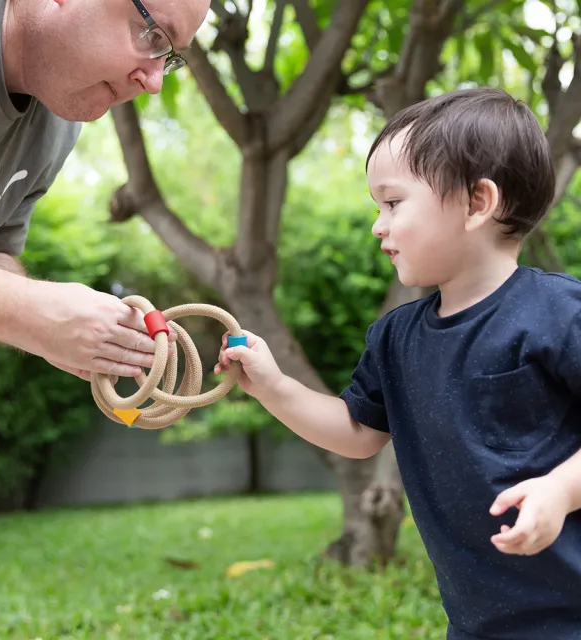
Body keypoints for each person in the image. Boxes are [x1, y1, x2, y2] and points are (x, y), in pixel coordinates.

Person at [215, 87, 581, 639]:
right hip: (481, 622)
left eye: (392, 203)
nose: (377, 226)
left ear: (477, 203)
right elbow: (359, 432)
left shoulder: (557, 312)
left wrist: (562, 489)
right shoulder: (396, 337)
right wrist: (273, 387)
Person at [0, 0, 209, 380]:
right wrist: (32, 313)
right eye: (152, 36)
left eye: (169, 57)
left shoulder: (56, 128)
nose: (154, 82)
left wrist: (76, 328)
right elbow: (14, 303)